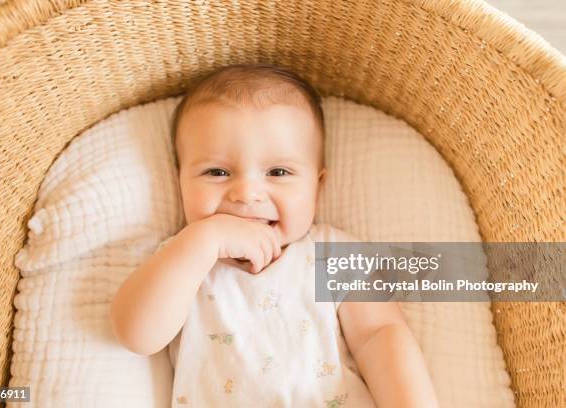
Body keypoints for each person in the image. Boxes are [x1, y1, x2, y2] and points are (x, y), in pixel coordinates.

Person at [110, 64, 439, 407]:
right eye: (217, 172)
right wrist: (204, 240)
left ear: (317, 184)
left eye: (278, 172)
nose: (247, 193)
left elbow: (380, 335)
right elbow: (137, 335)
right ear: (180, 180)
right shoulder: (184, 259)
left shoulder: (334, 253)